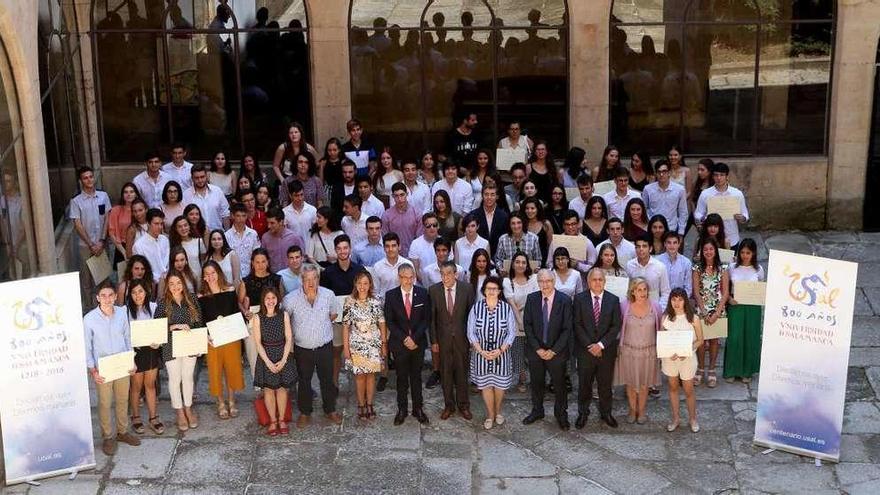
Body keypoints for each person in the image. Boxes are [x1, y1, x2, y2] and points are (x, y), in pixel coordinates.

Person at [84, 280, 142, 455]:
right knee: (104, 403)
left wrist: (131, 359)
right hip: (103, 368)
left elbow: (127, 338)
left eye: (110, 295)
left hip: (122, 364)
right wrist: (93, 370)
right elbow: (87, 347)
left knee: (123, 399)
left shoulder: (122, 314)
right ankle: (108, 437)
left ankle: (122, 432)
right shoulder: (89, 319)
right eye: (103, 295)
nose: (107, 299)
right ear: (97, 298)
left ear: (116, 296)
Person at [283, 264, 344, 427]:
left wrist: (319, 326)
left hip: (324, 346)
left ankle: (330, 410)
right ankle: (305, 412)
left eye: (314, 278)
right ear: (301, 280)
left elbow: (334, 314)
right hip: (302, 348)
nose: (311, 282)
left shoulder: (328, 295)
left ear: (318, 279)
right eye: (307, 279)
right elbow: (285, 320)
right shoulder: (290, 299)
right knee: (304, 381)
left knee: (327, 380)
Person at [521, 269, 573, 430]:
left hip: (556, 351)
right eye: (541, 281)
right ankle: (537, 410)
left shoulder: (564, 300)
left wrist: (553, 350)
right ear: (538, 283)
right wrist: (537, 349)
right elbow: (527, 325)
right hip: (536, 351)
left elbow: (567, 329)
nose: (545, 284)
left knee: (559, 385)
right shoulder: (531, 298)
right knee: (536, 383)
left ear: (554, 281)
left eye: (548, 281)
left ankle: (561, 415)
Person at [573, 269, 623, 429]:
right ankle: (583, 412)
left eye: (600, 279)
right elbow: (577, 324)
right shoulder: (579, 299)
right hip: (585, 351)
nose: (597, 282)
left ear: (604, 281)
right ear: (588, 282)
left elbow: (615, 326)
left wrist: (600, 345)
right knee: (584, 384)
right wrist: (591, 346)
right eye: (594, 279)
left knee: (605, 384)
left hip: (606, 351)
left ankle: (606, 412)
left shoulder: (613, 300)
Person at [156, 270, 203, 432]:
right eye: (171, 284)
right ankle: (179, 411)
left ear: (183, 283)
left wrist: (200, 343)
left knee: (188, 377)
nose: (175, 287)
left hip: (189, 344)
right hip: (171, 346)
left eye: (178, 283)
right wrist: (174, 326)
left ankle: (188, 408)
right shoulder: (163, 303)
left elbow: (200, 322)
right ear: (167, 286)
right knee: (175, 379)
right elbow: (157, 327)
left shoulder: (192, 299)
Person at [467, 276, 516, 429]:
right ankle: (490, 414)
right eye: (488, 289)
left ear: (499, 291)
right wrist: (481, 351)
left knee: (499, 386)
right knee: (486, 385)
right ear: (484, 291)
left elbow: (511, 332)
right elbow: (471, 331)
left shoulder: (506, 308)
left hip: (501, 355)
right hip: (481, 355)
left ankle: (498, 411)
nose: (491, 291)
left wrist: (500, 349)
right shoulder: (476, 308)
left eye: (494, 289)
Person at [429, 262, 476, 420]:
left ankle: (464, 405)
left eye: (448, 274)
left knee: (462, 372)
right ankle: (449, 405)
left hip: (462, 339)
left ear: (455, 274)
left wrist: (472, 339)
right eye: (442, 274)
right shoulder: (434, 290)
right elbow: (432, 319)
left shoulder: (467, 289)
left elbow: (472, 316)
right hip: (443, 340)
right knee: (446, 373)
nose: (445, 277)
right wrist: (434, 341)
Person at [384, 264, 431, 424]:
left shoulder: (423, 293)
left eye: (411, 277)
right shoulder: (391, 295)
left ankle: (418, 408)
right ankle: (402, 409)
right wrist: (405, 338)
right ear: (399, 277)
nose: (408, 280)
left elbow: (426, 319)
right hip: (399, 344)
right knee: (401, 377)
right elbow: (390, 321)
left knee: (416, 377)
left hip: (418, 343)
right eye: (404, 277)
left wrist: (414, 339)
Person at [198, 260, 245, 419]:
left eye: (213, 273)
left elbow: (236, 314)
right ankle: (220, 403)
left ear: (218, 272)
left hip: (231, 337)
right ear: (203, 277)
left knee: (231, 369)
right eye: (207, 274)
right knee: (216, 370)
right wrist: (206, 335)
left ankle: (231, 401)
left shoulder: (230, 290)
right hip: (213, 339)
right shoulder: (201, 296)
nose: (210, 276)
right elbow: (201, 319)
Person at [613, 277, 661, 424]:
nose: (642, 292)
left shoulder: (655, 306)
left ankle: (642, 410)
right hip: (629, 351)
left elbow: (661, 328)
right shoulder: (623, 306)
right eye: (639, 289)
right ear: (632, 291)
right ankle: (632, 410)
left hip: (649, 352)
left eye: (645, 289)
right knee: (631, 383)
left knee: (644, 384)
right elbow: (616, 325)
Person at [320, 235, 365, 387]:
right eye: (339, 248)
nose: (343, 251)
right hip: (337, 321)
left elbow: (366, 292)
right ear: (335, 250)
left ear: (350, 249)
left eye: (345, 248)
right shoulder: (328, 273)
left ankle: (361, 384)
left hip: (357, 321)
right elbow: (323, 297)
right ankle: (334, 383)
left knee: (359, 352)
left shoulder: (359, 270)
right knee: (336, 351)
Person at [342, 270, 387, 420]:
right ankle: (361, 405)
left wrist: (383, 345)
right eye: (360, 283)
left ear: (370, 285)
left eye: (365, 283)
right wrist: (346, 348)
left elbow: (382, 323)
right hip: (356, 344)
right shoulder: (349, 301)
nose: (362, 286)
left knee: (371, 376)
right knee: (360, 376)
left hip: (373, 344)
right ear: (355, 284)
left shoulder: (376, 301)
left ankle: (370, 404)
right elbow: (345, 326)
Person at [252, 286, 296, 435]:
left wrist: (284, 360)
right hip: (266, 356)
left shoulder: (283, 315)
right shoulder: (258, 317)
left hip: (282, 354)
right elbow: (257, 342)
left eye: (273, 298)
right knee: (269, 390)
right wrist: (268, 362)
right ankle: (272, 421)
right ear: (263, 300)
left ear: (277, 299)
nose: (270, 301)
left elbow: (289, 338)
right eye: (267, 298)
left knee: (282, 389)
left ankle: (282, 419)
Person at [661, 287, 704, 432]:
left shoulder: (693, 319)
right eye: (674, 299)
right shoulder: (666, 318)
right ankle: (676, 418)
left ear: (685, 300)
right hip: (670, 359)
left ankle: (692, 419)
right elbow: (663, 339)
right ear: (670, 301)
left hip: (688, 359)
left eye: (680, 299)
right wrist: (667, 351)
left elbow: (700, 340)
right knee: (673, 387)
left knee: (688, 389)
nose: (677, 303)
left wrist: (688, 350)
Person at [125, 278, 164, 436]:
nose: (137, 295)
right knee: (136, 386)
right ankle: (135, 417)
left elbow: (161, 329)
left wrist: (159, 342)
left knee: (150, 385)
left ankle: (153, 417)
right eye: (134, 292)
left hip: (151, 351)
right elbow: (124, 333)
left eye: (140, 291)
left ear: (146, 292)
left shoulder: (154, 308)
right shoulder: (125, 311)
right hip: (135, 353)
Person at [70, 166, 111, 311]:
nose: (89, 180)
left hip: (101, 243)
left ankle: (105, 306)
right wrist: (91, 244)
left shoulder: (103, 196)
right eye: (85, 178)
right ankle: (89, 307)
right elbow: (78, 224)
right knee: (86, 278)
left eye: (90, 177)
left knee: (103, 276)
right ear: (81, 181)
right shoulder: (76, 201)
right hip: (85, 246)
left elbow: (107, 218)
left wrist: (101, 241)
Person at [724, 238, 764, 383]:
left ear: (753, 253)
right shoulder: (732, 267)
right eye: (742, 252)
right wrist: (729, 300)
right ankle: (732, 370)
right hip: (736, 305)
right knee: (734, 337)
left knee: (750, 337)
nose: (745, 255)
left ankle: (747, 371)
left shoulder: (759, 269)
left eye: (748, 252)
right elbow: (725, 288)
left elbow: (760, 286)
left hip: (753, 308)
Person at [691, 238, 729, 388]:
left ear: (716, 251)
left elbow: (725, 292)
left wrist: (717, 312)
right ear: (701, 251)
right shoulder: (697, 268)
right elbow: (696, 291)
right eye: (705, 249)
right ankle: (700, 368)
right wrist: (705, 312)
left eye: (711, 249)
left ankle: (712, 369)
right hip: (702, 309)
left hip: (718, 308)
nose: (708, 252)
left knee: (714, 341)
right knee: (701, 341)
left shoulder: (723, 267)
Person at [694, 162, 749, 249]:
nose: (718, 178)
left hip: (731, 237)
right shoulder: (705, 194)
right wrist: (704, 218)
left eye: (722, 175)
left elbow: (745, 214)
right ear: (712, 176)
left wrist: (742, 218)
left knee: (728, 261)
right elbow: (698, 213)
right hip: (711, 238)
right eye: (716, 175)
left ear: (727, 176)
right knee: (711, 261)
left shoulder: (737, 194)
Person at [642, 159, 688, 235]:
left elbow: (683, 212)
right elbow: (644, 209)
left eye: (664, 171)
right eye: (659, 172)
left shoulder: (679, 189)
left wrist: (681, 232)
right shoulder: (648, 189)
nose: (661, 174)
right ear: (656, 173)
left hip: (672, 229)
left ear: (669, 173)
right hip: (653, 229)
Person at [626, 236, 671, 308]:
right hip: (634, 307)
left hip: (654, 307)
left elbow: (666, 292)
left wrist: (660, 309)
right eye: (638, 246)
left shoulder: (660, 266)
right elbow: (628, 289)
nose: (641, 249)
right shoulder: (629, 265)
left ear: (650, 249)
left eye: (644, 246)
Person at [183, 164, 230, 231]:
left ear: (206, 176)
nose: (200, 180)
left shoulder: (217, 191)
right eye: (197, 178)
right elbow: (185, 217)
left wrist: (227, 233)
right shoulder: (186, 195)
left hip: (218, 236)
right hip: (197, 236)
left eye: (202, 177)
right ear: (192, 178)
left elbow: (225, 214)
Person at [382, 183, 422, 259]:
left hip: (413, 256)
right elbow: (385, 238)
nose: (400, 199)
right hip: (393, 256)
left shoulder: (417, 213)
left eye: (402, 195)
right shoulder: (386, 215)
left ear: (407, 194)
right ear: (393, 196)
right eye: (396, 196)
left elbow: (419, 238)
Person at [468, 184, 509, 255]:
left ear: (497, 197)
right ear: (482, 196)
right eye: (486, 194)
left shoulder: (504, 216)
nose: (489, 197)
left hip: (498, 255)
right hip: (478, 256)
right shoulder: (473, 215)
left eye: (492, 194)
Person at [261, 208, 305, 273]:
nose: (269, 226)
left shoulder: (294, 237)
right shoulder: (265, 237)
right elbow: (263, 258)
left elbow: (302, 257)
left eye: (272, 223)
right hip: (273, 276)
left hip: (291, 275)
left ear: (281, 222)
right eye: (268, 223)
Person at [108, 182, 141, 268]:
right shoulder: (115, 210)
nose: (128, 194)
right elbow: (112, 232)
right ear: (122, 195)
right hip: (121, 248)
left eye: (131, 192)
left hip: (140, 247)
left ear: (136, 194)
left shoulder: (142, 210)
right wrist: (124, 252)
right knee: (123, 279)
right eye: (126, 192)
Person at [132, 209, 170, 283]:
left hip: (168, 280)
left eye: (161, 224)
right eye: (156, 224)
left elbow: (167, 261)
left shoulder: (164, 239)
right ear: (148, 223)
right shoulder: (139, 245)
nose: (160, 227)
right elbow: (141, 269)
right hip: (150, 283)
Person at [224, 203, 260, 280]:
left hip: (250, 275)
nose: (241, 219)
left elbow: (257, 254)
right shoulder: (226, 236)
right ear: (232, 216)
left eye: (243, 216)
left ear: (247, 216)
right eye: (238, 216)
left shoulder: (253, 234)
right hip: (232, 277)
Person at [169, 215, 206, 280]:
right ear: (176, 229)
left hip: (198, 277)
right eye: (180, 227)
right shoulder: (174, 245)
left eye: (185, 225)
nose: (183, 228)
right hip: (181, 279)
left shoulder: (199, 241)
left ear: (189, 226)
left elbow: (203, 261)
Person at [656, 232, 693, 297]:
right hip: (661, 300)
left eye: (675, 243)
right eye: (669, 243)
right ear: (665, 244)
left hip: (680, 300)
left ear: (679, 244)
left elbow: (688, 288)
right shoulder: (657, 261)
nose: (672, 246)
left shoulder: (686, 263)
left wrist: (681, 301)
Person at [521, 197, 554, 265]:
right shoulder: (521, 223)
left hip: (542, 261)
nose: (529, 211)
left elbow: (550, 246)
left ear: (538, 209)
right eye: (527, 208)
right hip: (524, 262)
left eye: (532, 208)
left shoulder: (545, 224)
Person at [526, 140, 558, 205]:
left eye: (543, 149)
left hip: (549, 202)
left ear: (546, 151)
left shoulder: (552, 167)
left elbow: (555, 185)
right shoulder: (529, 167)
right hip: (533, 203)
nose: (540, 152)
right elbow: (526, 186)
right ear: (534, 152)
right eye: (538, 149)